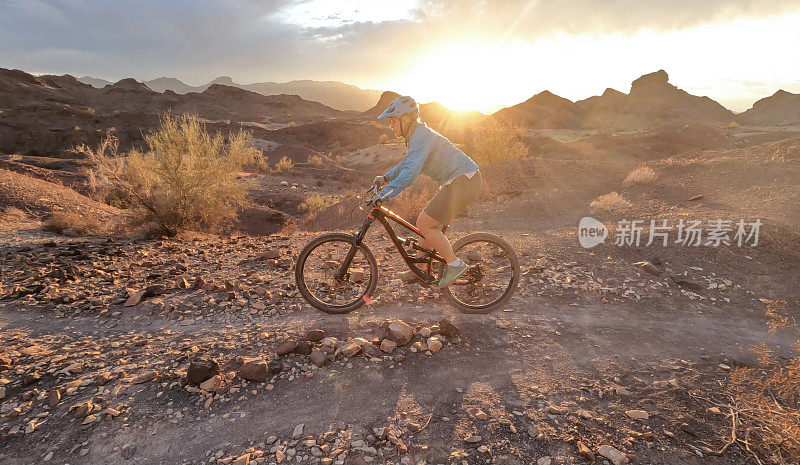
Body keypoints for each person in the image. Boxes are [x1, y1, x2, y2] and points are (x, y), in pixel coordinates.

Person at [369, 95, 482, 288]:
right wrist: (386, 177)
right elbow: (407, 163)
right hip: (459, 181)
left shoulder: (421, 137)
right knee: (427, 225)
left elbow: (411, 172)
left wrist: (385, 195)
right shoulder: (417, 136)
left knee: (424, 223)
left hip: (464, 181)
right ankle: (420, 268)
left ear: (405, 119)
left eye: (393, 121)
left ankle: (454, 265)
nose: (391, 126)